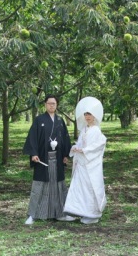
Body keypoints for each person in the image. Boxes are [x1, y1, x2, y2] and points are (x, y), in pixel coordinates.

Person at [22, 94, 74, 225]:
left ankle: (61, 213)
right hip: (43, 158)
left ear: (57, 105)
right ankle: (32, 215)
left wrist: (65, 155)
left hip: (57, 159)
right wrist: (33, 153)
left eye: (54, 103)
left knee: (58, 186)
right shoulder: (39, 120)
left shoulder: (60, 120)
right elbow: (32, 137)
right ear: (45, 105)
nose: (52, 105)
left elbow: (65, 139)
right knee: (39, 186)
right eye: (49, 103)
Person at [63, 96, 107, 224]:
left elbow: (98, 145)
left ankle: (92, 214)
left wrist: (85, 151)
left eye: (90, 114)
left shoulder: (96, 131)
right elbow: (81, 143)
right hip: (81, 164)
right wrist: (76, 147)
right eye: (86, 114)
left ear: (95, 116)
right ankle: (79, 211)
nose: (87, 117)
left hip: (90, 164)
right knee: (78, 187)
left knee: (89, 187)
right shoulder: (84, 129)